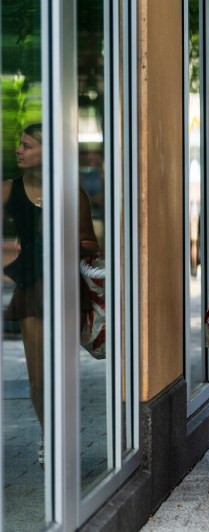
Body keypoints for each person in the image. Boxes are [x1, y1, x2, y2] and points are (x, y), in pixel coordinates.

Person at [3, 124, 99, 467]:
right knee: (37, 378)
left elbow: (91, 245)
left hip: (64, 286)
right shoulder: (9, 190)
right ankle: (49, 434)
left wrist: (66, 242)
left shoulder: (70, 193)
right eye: (20, 144)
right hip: (30, 286)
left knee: (60, 370)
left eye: (26, 145)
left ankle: (64, 433)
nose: (19, 150)